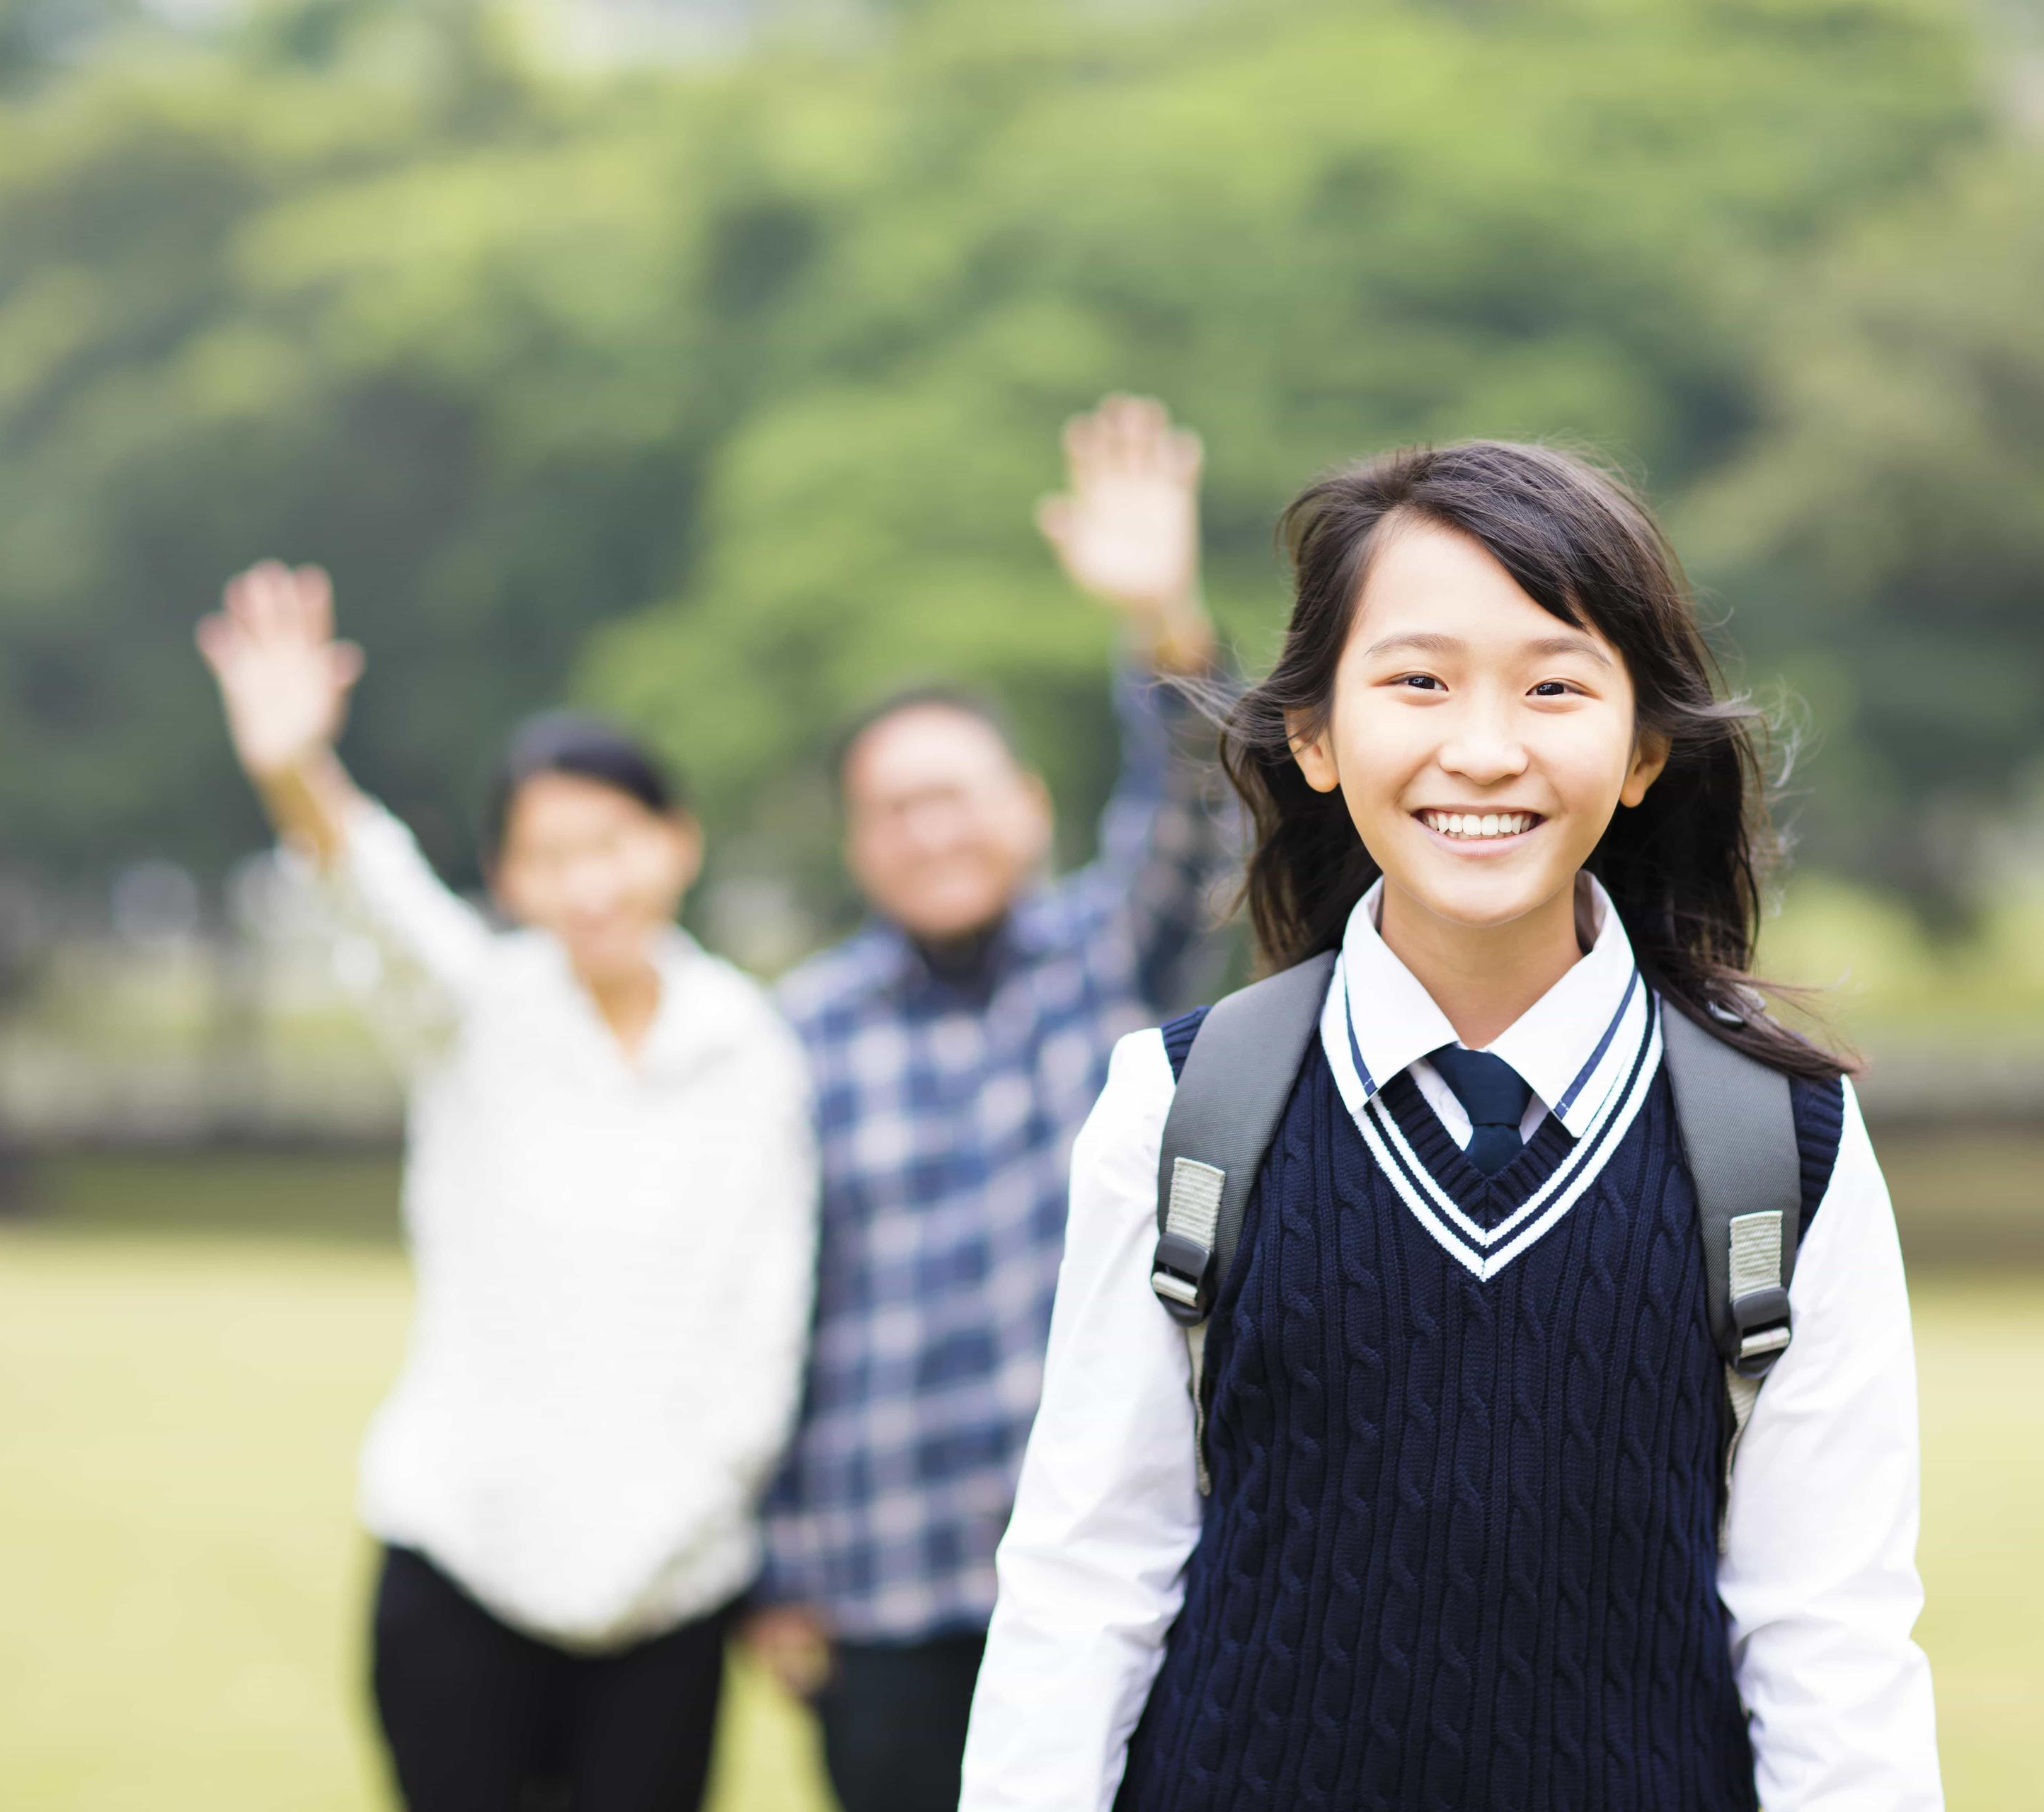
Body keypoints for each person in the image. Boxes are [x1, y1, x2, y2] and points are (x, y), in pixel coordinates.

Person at [960, 442, 1941, 1809]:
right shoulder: (1182, 1109)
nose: (1483, 750)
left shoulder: (1788, 1144)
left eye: (1554, 686)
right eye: (1418, 680)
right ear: (1313, 733)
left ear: (1646, 747)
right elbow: (1084, 1584)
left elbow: (1829, 1640)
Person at [197, 561, 816, 1812]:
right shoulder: (476, 1013)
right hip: (462, 1558)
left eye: (614, 843)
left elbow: (767, 1313)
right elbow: (380, 907)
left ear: (677, 841)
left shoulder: (750, 1047)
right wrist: (294, 774)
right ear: (509, 878)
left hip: (674, 1585)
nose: (590, 885)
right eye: (549, 856)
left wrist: (695, 1518)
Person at [745, 396, 1231, 1812]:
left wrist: (1164, 623)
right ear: (859, 844)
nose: (929, 829)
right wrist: (775, 1569)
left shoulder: (1110, 958)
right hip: (882, 1586)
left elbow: (1202, 804)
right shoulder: (806, 1031)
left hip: (1116, 1571)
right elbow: (772, 1305)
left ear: (1026, 806)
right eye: (893, 809)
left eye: (955, 795)